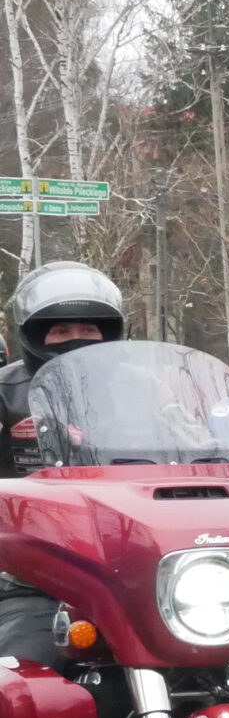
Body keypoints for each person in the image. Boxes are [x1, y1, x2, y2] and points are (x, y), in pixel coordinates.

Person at [0, 263, 127, 666]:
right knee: (24, 672)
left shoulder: (142, 386)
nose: (77, 339)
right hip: (31, 573)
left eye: (89, 329)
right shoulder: (6, 393)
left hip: (132, 564)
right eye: (61, 330)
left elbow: (197, 450)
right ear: (36, 335)